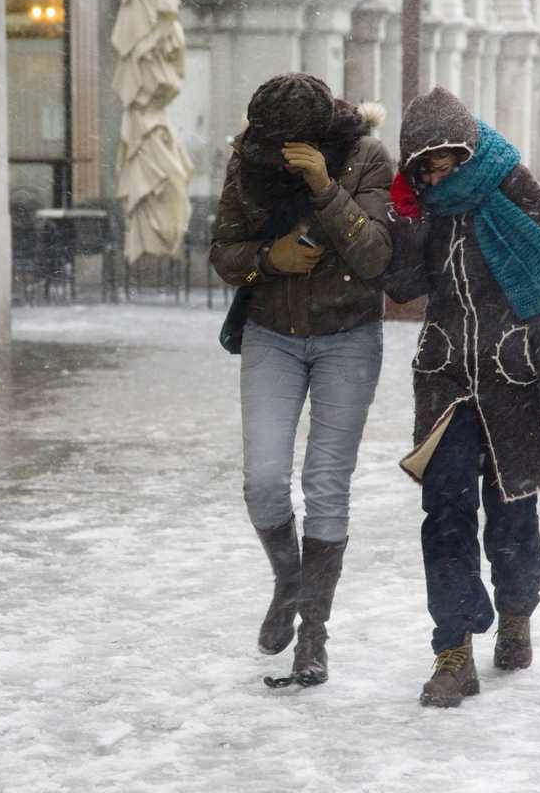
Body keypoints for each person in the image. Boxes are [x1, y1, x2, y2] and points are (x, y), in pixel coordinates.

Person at [384, 87, 540, 708]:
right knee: (444, 516)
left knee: (512, 518)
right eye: (426, 167)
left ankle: (517, 610)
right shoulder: (425, 209)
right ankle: (453, 651)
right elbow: (403, 288)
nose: (438, 175)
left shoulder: (515, 190)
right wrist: (407, 225)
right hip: (445, 380)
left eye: (446, 162)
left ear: (468, 152)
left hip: (514, 383)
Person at [209, 74, 394, 688]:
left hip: (348, 336)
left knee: (325, 482)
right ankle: (290, 581)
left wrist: (324, 186)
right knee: (263, 479)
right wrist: (268, 260)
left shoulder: (366, 154)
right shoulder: (248, 158)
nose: (279, 152)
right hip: (272, 335)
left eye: (295, 143)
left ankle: (313, 636)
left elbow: (375, 257)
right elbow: (223, 251)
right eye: (272, 141)